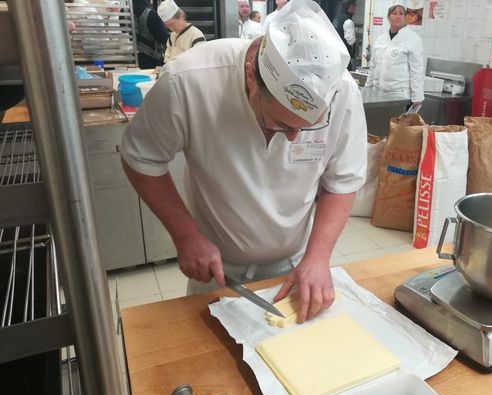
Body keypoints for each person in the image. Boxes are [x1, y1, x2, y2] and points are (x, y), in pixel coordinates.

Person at [121, 0, 367, 323]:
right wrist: (185, 235)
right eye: (280, 124)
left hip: (295, 268)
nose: (293, 138)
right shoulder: (189, 81)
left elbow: (343, 181)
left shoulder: (343, 93)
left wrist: (318, 258)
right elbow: (141, 157)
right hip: (218, 271)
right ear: (251, 76)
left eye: (305, 128)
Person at [365, 4, 424, 107]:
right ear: (388, 17)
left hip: (399, 95)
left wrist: (417, 97)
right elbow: (373, 66)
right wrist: (367, 88)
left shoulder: (413, 39)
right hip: (377, 93)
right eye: (394, 13)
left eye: (401, 14)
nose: (398, 16)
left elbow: (417, 70)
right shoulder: (381, 39)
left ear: (405, 17)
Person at [133, 0, 169, 68]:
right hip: (150, 60)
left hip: (130, 58)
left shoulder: (124, 13)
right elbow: (163, 38)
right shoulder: (151, 15)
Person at [332, 0, 357, 70]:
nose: (356, 8)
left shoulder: (336, 18)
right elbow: (351, 41)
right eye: (355, 6)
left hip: (335, 55)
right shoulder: (348, 21)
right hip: (344, 58)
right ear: (351, 7)